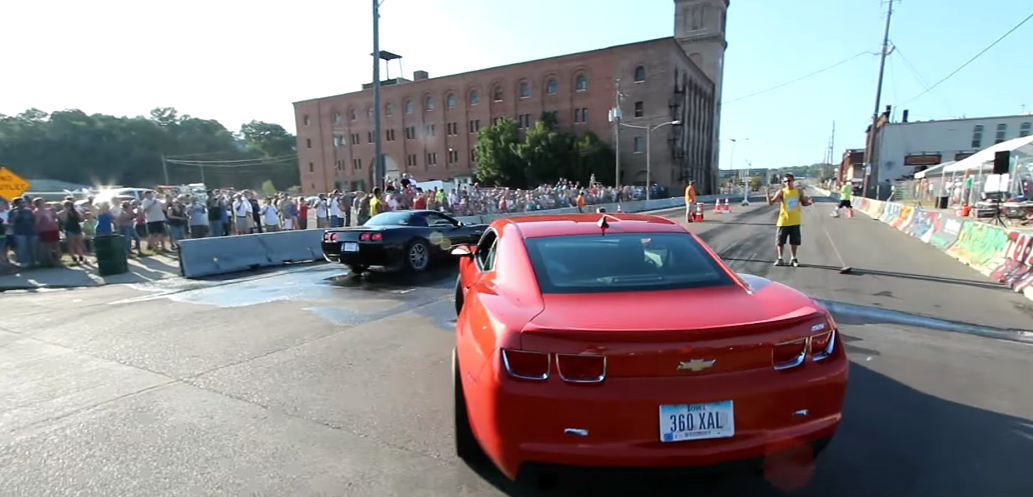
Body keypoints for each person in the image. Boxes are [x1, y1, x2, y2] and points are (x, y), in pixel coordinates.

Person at [764, 173, 812, 267]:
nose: (787, 183)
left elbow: (803, 203)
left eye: (789, 181)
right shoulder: (781, 192)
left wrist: (809, 203)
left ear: (793, 181)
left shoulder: (798, 191)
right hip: (783, 221)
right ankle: (780, 258)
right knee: (780, 242)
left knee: (794, 242)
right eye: (785, 181)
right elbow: (771, 203)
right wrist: (767, 194)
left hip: (795, 221)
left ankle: (793, 258)